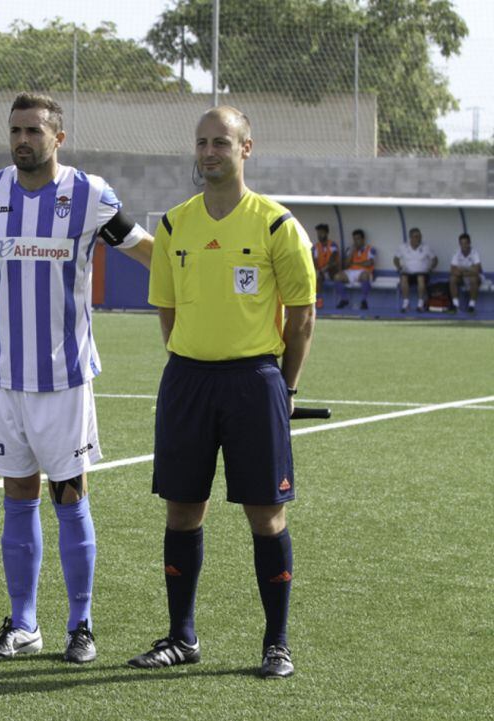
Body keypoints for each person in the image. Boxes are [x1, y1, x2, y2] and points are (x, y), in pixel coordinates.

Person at [0, 93, 153, 664]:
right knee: (16, 495)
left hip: (64, 379)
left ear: (57, 137)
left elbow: (148, 253)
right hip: (4, 376)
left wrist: (201, 283)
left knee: (69, 495)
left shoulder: (89, 195)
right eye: (16, 129)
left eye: (34, 130)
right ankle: (25, 624)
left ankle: (80, 625)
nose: (23, 139)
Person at [129, 106, 316, 679]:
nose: (210, 152)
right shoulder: (173, 223)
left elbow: (303, 317)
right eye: (203, 142)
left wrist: (284, 387)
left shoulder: (277, 224)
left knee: (266, 514)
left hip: (254, 382)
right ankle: (182, 637)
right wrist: (190, 358)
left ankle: (276, 643)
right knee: (182, 510)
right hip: (186, 379)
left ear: (246, 149)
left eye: (222, 143)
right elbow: (167, 309)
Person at [394, 227, 437, 313]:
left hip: (423, 274)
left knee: (420, 277)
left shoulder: (426, 247)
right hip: (408, 273)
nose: (419, 238)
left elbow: (435, 259)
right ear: (411, 237)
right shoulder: (403, 247)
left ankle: (420, 304)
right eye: (416, 236)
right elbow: (396, 258)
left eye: (420, 236)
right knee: (403, 277)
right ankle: (406, 303)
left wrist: (431, 268)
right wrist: (398, 267)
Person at [333, 229, 375, 310]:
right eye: (354, 239)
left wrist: (356, 264)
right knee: (337, 276)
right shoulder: (350, 249)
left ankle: (364, 301)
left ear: (363, 239)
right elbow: (345, 265)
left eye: (358, 239)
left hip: (364, 271)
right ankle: (344, 299)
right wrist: (352, 252)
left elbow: (370, 263)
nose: (356, 241)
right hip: (351, 271)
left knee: (365, 275)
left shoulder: (370, 249)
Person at [448, 232, 483, 313]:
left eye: (466, 243)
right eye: (461, 243)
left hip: (473, 277)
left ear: (469, 243)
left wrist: (463, 271)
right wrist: (470, 269)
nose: (464, 245)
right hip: (462, 277)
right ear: (459, 244)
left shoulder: (475, 253)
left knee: (473, 279)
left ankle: (471, 305)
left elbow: (478, 270)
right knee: (452, 279)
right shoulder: (456, 253)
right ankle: (455, 305)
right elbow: (452, 270)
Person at [311, 223, 339, 309]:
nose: (319, 235)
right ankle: (319, 302)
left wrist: (324, 269)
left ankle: (340, 302)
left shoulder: (333, 245)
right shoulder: (315, 247)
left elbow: (333, 260)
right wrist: (319, 271)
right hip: (321, 271)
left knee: (332, 268)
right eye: (318, 233)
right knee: (317, 277)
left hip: (331, 271)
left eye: (321, 233)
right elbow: (315, 262)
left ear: (326, 233)